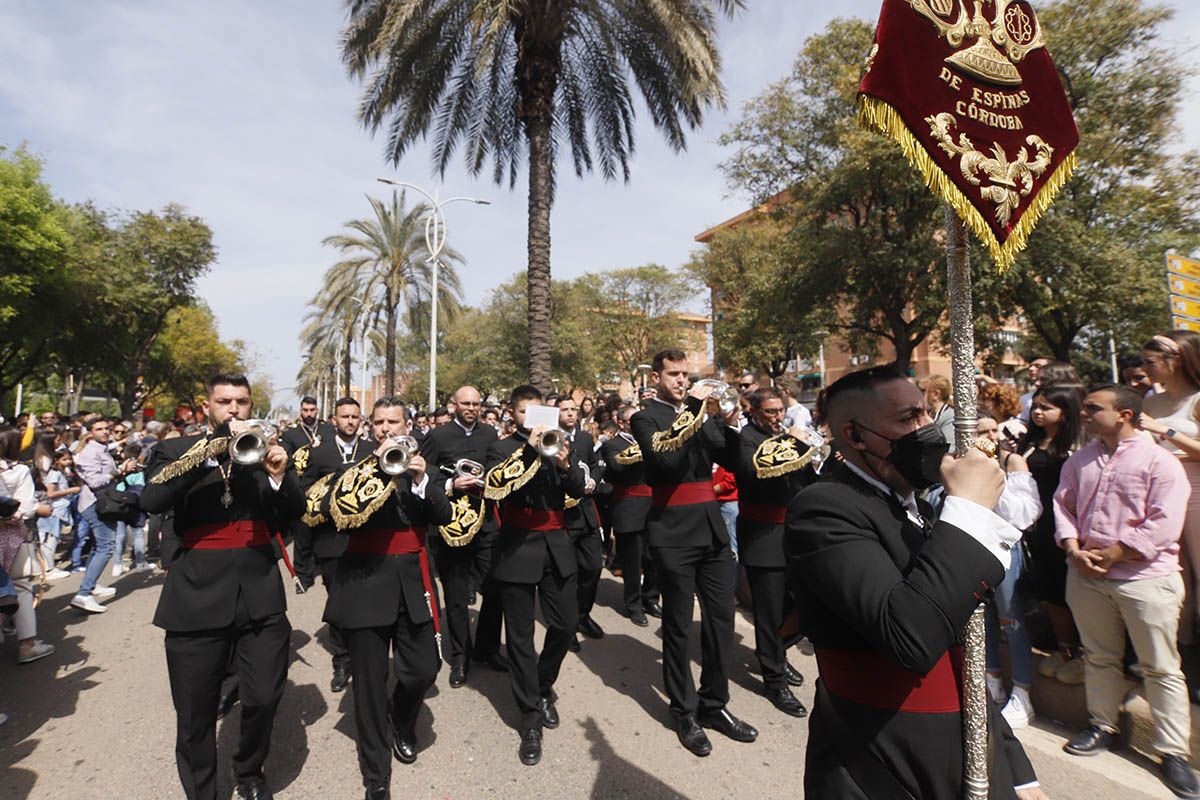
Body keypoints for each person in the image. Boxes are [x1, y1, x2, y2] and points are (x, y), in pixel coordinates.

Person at [786, 366, 1041, 799]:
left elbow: (966, 649)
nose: (926, 429)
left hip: (970, 746)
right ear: (856, 434)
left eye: (925, 413)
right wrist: (969, 510)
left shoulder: (917, 504)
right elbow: (911, 635)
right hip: (884, 757)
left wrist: (1017, 768)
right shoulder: (823, 507)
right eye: (908, 419)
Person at [140, 373, 304, 800]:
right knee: (194, 714)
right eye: (224, 401)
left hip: (259, 594)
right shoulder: (175, 450)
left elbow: (292, 516)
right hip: (195, 596)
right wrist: (207, 451)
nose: (234, 409)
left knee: (266, 695)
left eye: (242, 402)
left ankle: (249, 772)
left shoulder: (263, 453)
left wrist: (278, 478)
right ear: (206, 407)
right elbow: (152, 501)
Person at [1055, 384, 1199, 798]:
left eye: (1093, 407)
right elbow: (1063, 507)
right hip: (1086, 575)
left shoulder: (1160, 462)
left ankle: (1172, 752)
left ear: (1124, 415)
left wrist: (1117, 552)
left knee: (1161, 667)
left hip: (1145, 579)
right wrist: (1073, 547)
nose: (1083, 413)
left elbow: (1165, 521)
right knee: (1099, 657)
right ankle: (1103, 724)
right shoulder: (1080, 460)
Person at [310, 397, 453, 800]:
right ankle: (376, 773)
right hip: (365, 580)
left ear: (407, 424)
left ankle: (403, 721)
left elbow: (443, 515)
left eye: (394, 422)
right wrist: (374, 470)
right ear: (370, 428)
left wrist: (423, 480)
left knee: (423, 669)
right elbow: (333, 514)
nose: (386, 429)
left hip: (413, 578)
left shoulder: (425, 469)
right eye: (379, 423)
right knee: (368, 686)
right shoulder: (350, 470)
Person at [630, 349, 754, 757]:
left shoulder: (701, 415)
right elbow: (664, 461)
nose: (682, 380)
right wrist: (698, 410)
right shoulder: (645, 416)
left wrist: (732, 423)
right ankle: (683, 711)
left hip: (712, 530)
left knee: (720, 622)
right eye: (674, 374)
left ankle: (714, 704)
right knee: (680, 625)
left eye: (686, 374)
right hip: (672, 530)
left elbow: (732, 460)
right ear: (656, 376)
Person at [483, 385, 586, 766]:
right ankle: (529, 718)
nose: (531, 419)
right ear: (513, 414)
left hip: (556, 543)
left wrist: (564, 463)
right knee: (521, 637)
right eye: (524, 412)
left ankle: (542, 686)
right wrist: (531, 448)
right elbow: (498, 488)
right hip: (517, 544)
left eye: (536, 412)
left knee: (564, 624)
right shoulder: (502, 448)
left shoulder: (559, 443)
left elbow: (577, 489)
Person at [731, 387, 815, 718]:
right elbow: (754, 476)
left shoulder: (785, 437)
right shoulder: (746, 439)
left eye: (781, 411)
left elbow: (808, 481)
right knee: (767, 612)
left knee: (804, 606)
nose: (778, 417)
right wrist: (791, 443)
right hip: (762, 538)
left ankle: (776, 652)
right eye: (770, 412)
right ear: (753, 412)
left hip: (793, 535)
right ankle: (774, 679)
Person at [420, 385, 507, 688]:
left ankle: (487, 647)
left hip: (485, 523)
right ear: (454, 404)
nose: (471, 407)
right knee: (456, 596)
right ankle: (461, 656)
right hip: (450, 525)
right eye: (465, 403)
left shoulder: (490, 434)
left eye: (476, 403)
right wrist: (450, 483)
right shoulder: (438, 435)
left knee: (496, 586)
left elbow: (499, 468)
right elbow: (423, 470)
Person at [1138, 331, 1200, 702]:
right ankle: (1183, 664)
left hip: (1197, 490)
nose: (1144, 369)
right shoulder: (1150, 399)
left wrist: (1165, 430)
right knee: (1175, 579)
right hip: (1162, 493)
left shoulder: (1196, 399)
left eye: (1150, 362)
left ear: (1175, 359)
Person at [297, 397, 368, 693]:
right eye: (345, 416)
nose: (350, 421)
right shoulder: (321, 452)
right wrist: (303, 563)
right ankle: (342, 659)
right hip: (330, 542)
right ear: (334, 420)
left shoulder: (372, 450)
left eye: (354, 416)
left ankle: (365, 654)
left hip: (366, 541)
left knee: (365, 601)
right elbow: (305, 500)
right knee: (337, 601)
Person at [976, 414, 1042, 729]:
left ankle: (1023, 692)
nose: (992, 436)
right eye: (982, 431)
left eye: (994, 429)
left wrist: (992, 481)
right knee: (982, 617)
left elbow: (1026, 514)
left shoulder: (1013, 463)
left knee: (1011, 620)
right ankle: (992, 680)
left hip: (1006, 547)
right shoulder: (963, 463)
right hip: (975, 547)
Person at [1018, 383, 1086, 685]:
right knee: (1051, 593)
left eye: (1046, 407)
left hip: (1070, 527)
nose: (1038, 411)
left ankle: (1087, 655)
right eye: (1036, 406)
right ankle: (1065, 649)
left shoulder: (1078, 445)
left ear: (1065, 411)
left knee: (1074, 590)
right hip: (1038, 530)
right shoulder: (1031, 442)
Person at [599, 405, 661, 626]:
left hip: (654, 506)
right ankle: (633, 603)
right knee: (632, 560)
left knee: (654, 557)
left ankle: (651, 597)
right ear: (624, 423)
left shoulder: (652, 439)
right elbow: (616, 467)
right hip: (628, 506)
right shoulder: (612, 445)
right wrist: (642, 450)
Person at [70, 417, 138, 613]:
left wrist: (120, 470)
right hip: (94, 504)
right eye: (99, 429)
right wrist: (119, 471)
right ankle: (84, 594)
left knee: (99, 546)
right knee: (107, 546)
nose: (105, 432)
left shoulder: (101, 448)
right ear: (90, 432)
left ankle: (91, 585)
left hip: (100, 503)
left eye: (107, 428)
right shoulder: (90, 452)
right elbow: (95, 481)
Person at [0, 429, 55, 664]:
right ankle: (27, 645)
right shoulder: (19, 470)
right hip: (12, 534)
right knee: (21, 587)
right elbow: (27, 506)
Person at [558, 397, 605, 647]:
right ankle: (567, 626)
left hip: (586, 513)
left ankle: (582, 615)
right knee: (568, 574)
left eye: (572, 410)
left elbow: (596, 466)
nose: (569, 414)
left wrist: (594, 481)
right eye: (564, 410)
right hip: (563, 517)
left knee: (593, 567)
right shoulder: (550, 438)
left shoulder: (586, 438)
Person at [279, 395, 335, 591]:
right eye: (305, 410)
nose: (309, 414)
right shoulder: (291, 435)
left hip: (326, 490)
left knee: (326, 533)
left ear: (317, 411)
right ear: (301, 411)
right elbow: (285, 462)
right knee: (302, 535)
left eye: (312, 410)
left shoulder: (328, 431)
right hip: (302, 490)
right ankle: (303, 576)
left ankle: (325, 567)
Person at [921, 374, 956, 452]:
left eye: (923, 391)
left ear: (936, 394)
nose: (918, 395)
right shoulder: (929, 414)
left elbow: (949, 449)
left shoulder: (950, 416)